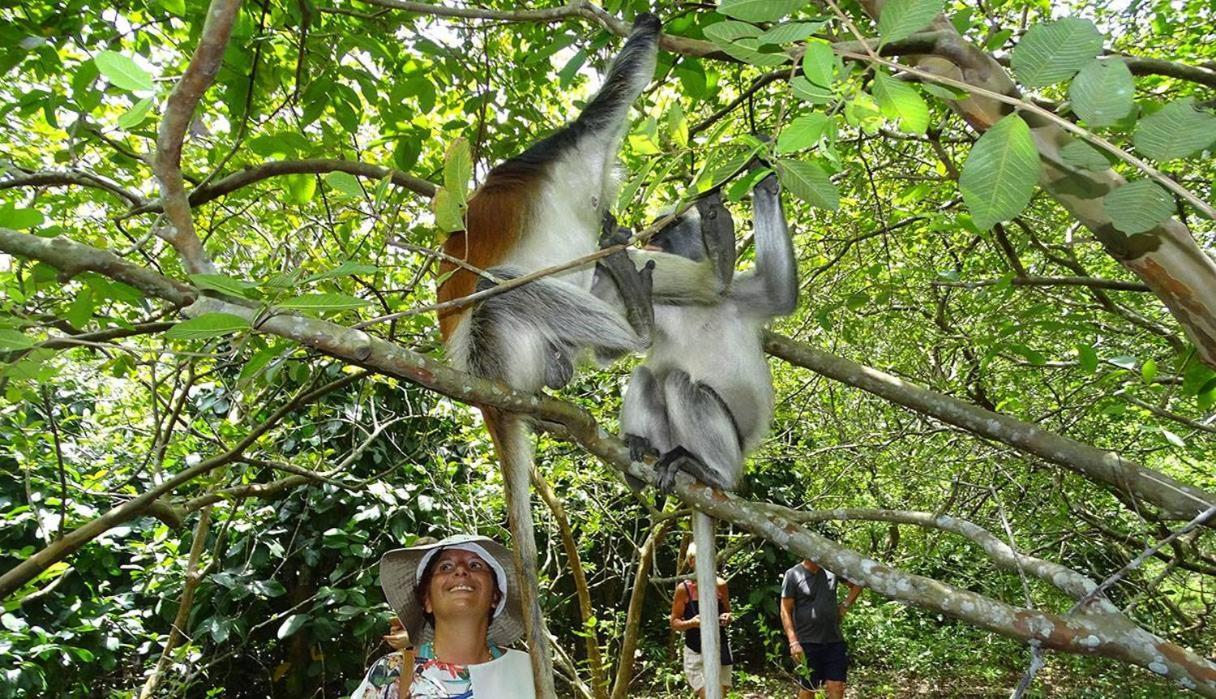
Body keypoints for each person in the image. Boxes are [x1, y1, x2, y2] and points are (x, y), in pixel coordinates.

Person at [351, 534, 536, 698]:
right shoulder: (392, 673)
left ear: (495, 596)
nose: (461, 570)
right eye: (445, 567)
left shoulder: (528, 670)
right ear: (426, 600)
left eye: (475, 565)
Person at [780, 557, 862, 699]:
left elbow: (859, 583)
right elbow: (785, 610)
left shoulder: (832, 570)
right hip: (807, 641)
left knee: (837, 686)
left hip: (833, 640)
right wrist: (793, 642)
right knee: (808, 688)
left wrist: (845, 605)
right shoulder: (793, 574)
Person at [669, 543, 733, 698]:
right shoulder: (684, 589)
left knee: (720, 695)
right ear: (691, 562)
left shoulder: (720, 585)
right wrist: (691, 623)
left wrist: (727, 617)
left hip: (720, 646)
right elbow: (674, 623)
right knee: (708, 695)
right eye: (699, 559)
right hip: (695, 650)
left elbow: (727, 611)